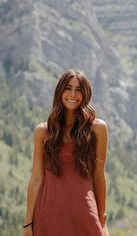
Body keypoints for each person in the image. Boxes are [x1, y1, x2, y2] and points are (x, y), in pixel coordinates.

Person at [22, 69, 110, 236]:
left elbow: (99, 175)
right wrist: (27, 223)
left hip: (84, 212)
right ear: (59, 91)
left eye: (78, 90)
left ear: (85, 94)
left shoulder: (98, 129)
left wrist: (101, 215)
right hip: (48, 214)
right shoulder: (43, 131)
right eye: (68, 88)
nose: (72, 94)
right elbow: (36, 178)